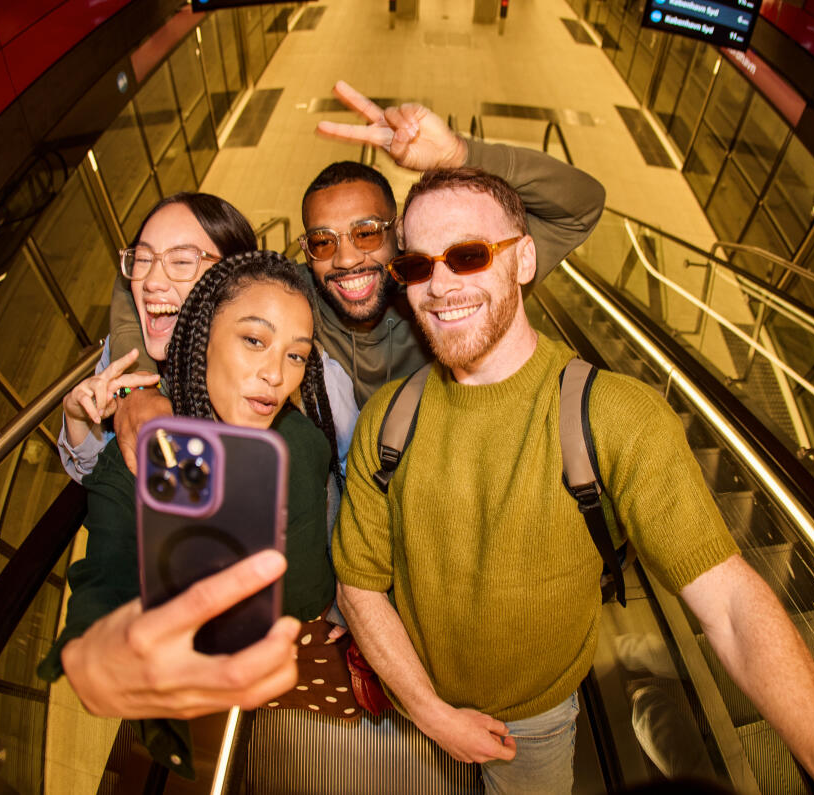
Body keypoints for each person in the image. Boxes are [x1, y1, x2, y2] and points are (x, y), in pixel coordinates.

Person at [331, 167, 814, 794]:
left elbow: (728, 604)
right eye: (418, 267)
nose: (441, 286)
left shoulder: (615, 416)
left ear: (525, 259)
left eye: (468, 255)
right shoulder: (389, 418)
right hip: (410, 710)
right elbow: (360, 583)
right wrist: (428, 711)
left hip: (531, 729)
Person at [107, 80, 607, 471]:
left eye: (367, 233)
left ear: (401, 235)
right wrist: (137, 389)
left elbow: (580, 206)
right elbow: (150, 286)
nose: (345, 260)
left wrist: (460, 156)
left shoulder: (447, 290)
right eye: (322, 242)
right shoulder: (295, 299)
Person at [39, 250, 356, 776]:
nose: (276, 375)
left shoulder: (301, 439)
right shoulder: (144, 456)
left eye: (296, 355)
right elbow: (104, 577)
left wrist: (346, 607)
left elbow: (329, 525)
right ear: (202, 334)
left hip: (317, 651)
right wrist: (100, 648)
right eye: (254, 340)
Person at [56, 191, 258, 480]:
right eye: (143, 258)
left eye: (181, 262)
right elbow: (98, 474)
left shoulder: (273, 368)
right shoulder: (124, 355)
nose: (151, 281)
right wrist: (80, 420)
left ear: (234, 278)